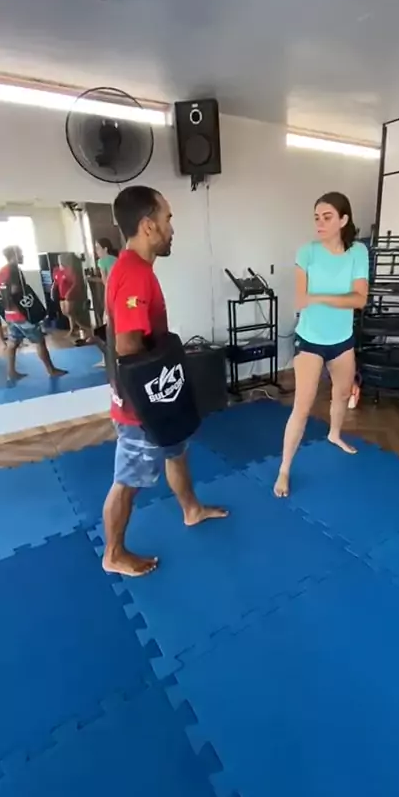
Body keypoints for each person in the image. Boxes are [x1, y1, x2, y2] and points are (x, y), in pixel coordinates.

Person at [102, 185, 228, 577]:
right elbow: (127, 346)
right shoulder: (133, 275)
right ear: (148, 226)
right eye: (167, 218)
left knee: (177, 450)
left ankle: (191, 509)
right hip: (141, 408)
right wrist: (153, 404)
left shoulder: (136, 269)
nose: (172, 228)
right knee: (128, 481)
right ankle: (113, 553)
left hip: (158, 397)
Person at [274, 192, 369, 498]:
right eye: (317, 217)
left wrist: (322, 296)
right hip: (311, 340)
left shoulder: (358, 252)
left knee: (342, 393)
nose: (320, 223)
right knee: (302, 407)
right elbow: (302, 298)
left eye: (327, 217)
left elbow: (360, 299)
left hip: (342, 340)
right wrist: (337, 298)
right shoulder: (307, 253)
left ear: (343, 220)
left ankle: (334, 434)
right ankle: (284, 469)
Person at [0, 246, 67, 382]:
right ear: (14, 255)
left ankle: (11, 372)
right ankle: (51, 370)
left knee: (13, 342)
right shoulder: (14, 270)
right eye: (20, 254)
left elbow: (1, 291)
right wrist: (29, 306)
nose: (22, 256)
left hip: (9, 314)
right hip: (21, 314)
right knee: (40, 341)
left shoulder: (2, 271)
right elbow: (15, 291)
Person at [53, 253, 91, 339]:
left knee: (70, 312)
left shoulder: (70, 271)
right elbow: (56, 281)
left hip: (69, 296)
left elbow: (76, 283)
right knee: (65, 313)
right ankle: (79, 327)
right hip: (61, 295)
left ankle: (74, 329)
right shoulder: (57, 271)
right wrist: (53, 290)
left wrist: (69, 293)